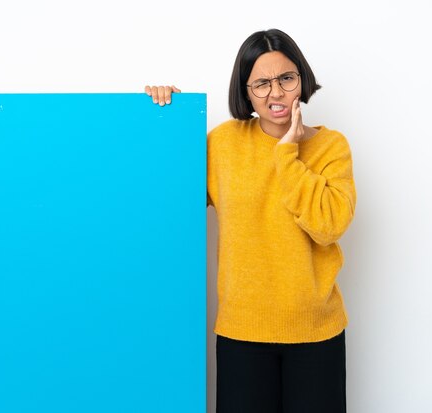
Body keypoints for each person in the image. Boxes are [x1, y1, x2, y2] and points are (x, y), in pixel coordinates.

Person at [145, 29, 356, 413]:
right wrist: (165, 122)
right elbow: (167, 204)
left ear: (302, 80)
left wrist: (287, 154)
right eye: (261, 83)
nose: (275, 93)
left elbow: (329, 225)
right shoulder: (223, 144)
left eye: (286, 79)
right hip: (242, 333)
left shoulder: (331, 147)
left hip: (315, 333)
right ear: (245, 92)